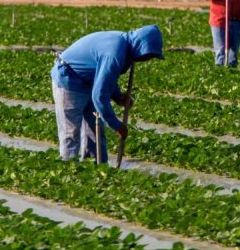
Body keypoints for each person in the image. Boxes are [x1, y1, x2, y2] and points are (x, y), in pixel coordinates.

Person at [51, 25, 164, 164]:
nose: (147, 59)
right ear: (141, 46)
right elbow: (99, 96)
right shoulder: (115, 52)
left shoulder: (126, 49)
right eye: (148, 55)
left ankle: (96, 171)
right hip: (69, 80)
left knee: (95, 132)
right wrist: (117, 125)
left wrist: (118, 97)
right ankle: (69, 173)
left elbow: (106, 77)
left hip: (89, 81)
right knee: (71, 134)